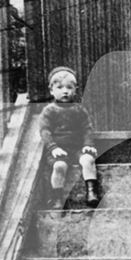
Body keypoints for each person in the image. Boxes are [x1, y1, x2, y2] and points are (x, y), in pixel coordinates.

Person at [39, 66, 100, 209]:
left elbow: (87, 128)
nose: (65, 91)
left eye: (69, 87)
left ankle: (92, 192)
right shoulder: (49, 110)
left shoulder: (79, 110)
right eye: (60, 87)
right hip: (59, 149)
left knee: (88, 160)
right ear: (51, 90)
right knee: (59, 166)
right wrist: (53, 147)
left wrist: (88, 144)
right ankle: (57, 198)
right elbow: (45, 130)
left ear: (75, 90)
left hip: (77, 147)